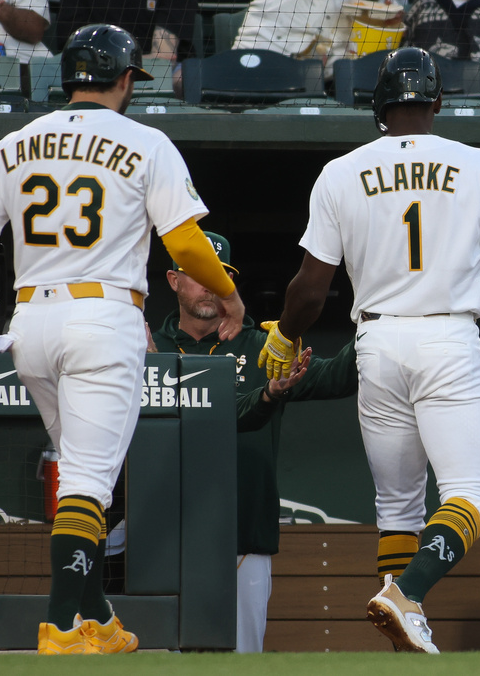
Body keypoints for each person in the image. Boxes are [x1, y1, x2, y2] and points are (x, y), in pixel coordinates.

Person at [255, 47, 480, 653]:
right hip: (447, 337)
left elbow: (310, 288)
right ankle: (408, 596)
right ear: (436, 102)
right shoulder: (479, 165)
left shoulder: (339, 171)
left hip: (375, 339)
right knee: (472, 497)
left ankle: (402, 630)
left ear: (377, 105)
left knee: (397, 504)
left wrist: (285, 335)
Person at [0, 23, 245, 655]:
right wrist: (233, 295)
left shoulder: (15, 142)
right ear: (125, 78)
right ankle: (59, 628)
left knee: (83, 471)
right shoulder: (147, 141)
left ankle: (98, 619)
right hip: (102, 321)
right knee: (88, 485)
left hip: (31, 326)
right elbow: (186, 243)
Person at [147, 230, 358, 653]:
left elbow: (340, 376)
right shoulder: (149, 347)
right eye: (199, 274)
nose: (211, 285)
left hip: (243, 536)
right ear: (173, 281)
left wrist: (379, 318)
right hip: (160, 537)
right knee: (161, 659)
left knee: (242, 659)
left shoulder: (264, 348)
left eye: (221, 275)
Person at [56, 0, 199, 95]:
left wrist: (116, 65)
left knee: (183, 78)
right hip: (95, 68)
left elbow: (163, 60)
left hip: (157, 71)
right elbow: (75, 49)